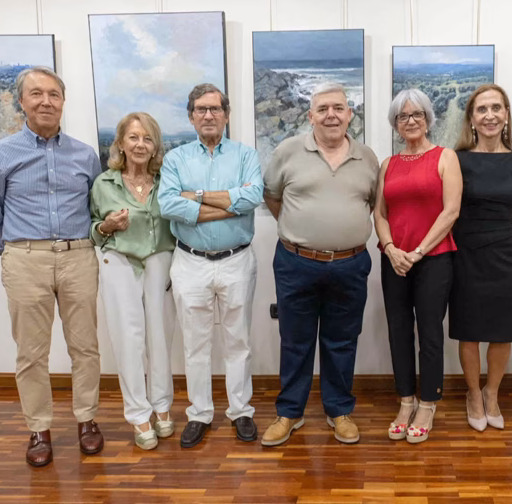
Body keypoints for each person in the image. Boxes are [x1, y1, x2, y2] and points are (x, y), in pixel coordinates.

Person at [0, 66, 103, 466]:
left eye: (53, 94)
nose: (46, 101)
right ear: (22, 102)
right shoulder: (1, 153)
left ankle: (87, 420)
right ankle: (39, 428)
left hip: (79, 256)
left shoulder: (84, 154)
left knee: (85, 346)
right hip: (25, 258)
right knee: (31, 353)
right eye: (37, 94)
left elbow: (94, 205)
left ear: (63, 102)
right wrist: (16, 250)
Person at [262, 83, 378, 447]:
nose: (331, 114)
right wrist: (303, 234)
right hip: (296, 263)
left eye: (339, 108)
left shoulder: (368, 158)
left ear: (349, 114)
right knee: (295, 341)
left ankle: (338, 411)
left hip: (350, 263)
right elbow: (272, 196)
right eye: (323, 108)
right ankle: (289, 413)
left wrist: (339, 231)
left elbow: (371, 204)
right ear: (310, 115)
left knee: (341, 340)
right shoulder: (288, 151)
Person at [158, 84, 263, 447]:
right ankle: (199, 414)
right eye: (200, 109)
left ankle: (241, 411)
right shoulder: (175, 159)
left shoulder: (245, 155)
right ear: (191, 116)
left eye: (215, 109)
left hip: (237, 261)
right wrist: (227, 205)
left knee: (239, 341)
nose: (208, 115)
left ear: (226, 115)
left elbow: (252, 197)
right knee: (195, 344)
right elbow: (169, 205)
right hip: (190, 262)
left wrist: (197, 196)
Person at [374, 88, 462, 444]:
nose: (410, 121)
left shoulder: (445, 157)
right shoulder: (388, 164)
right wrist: (391, 248)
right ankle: (405, 400)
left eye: (417, 115)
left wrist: (419, 251)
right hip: (394, 259)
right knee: (398, 330)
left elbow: (451, 211)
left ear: (428, 119)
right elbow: (379, 213)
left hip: (434, 258)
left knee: (429, 332)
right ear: (395, 124)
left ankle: (428, 403)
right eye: (402, 116)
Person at [90, 112, 176, 450]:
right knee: (128, 339)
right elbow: (93, 229)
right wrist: (107, 226)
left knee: (160, 336)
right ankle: (139, 414)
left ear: (155, 146)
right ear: (121, 143)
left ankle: (163, 407)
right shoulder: (104, 184)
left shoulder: (167, 180)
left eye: (148, 138)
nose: (140, 144)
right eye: (134, 137)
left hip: (160, 261)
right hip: (120, 262)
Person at [450, 84, 512, 432]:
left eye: (497, 108)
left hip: (503, 252)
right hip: (465, 252)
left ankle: (492, 392)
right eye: (482, 109)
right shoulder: (457, 159)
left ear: (507, 114)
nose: (490, 115)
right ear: (472, 118)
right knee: (469, 329)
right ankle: (472, 394)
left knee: (502, 331)